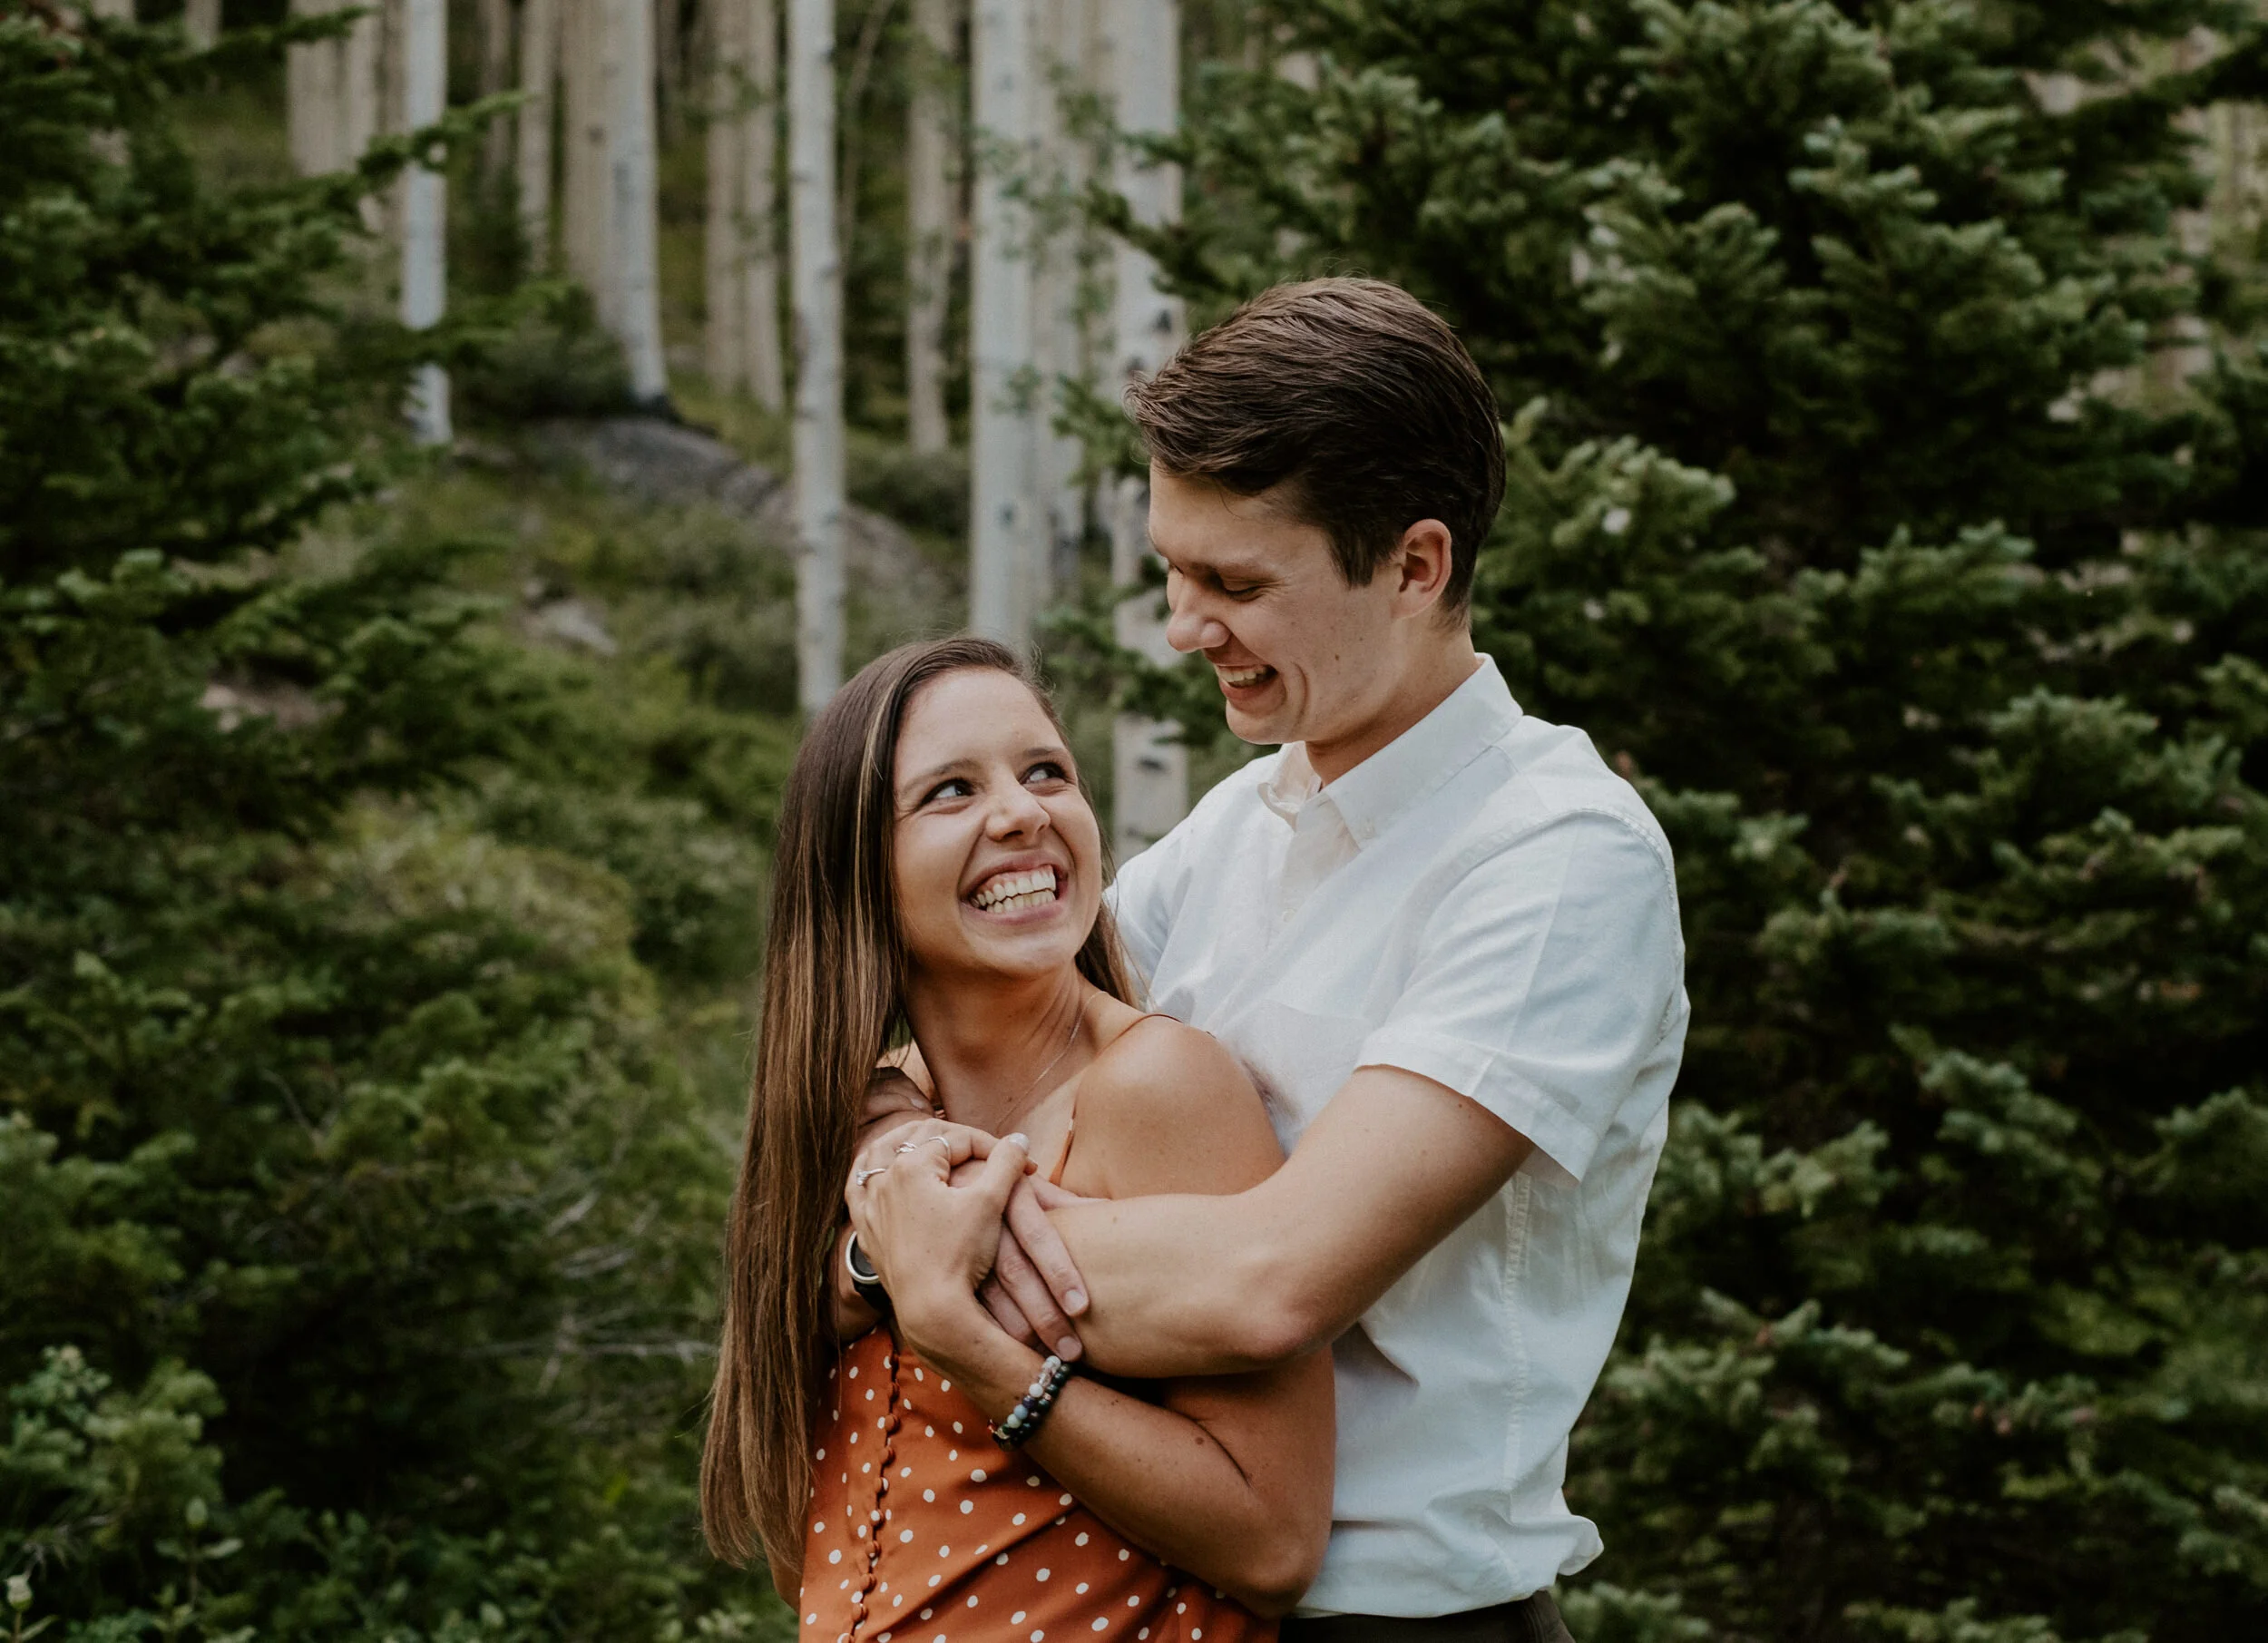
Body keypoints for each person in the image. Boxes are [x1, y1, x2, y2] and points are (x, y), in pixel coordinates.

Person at [854, 279, 1688, 1643]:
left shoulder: (1556, 858)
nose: (1184, 625)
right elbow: (955, 1035)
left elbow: (1272, 1280)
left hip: (1406, 1624)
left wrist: (924, 1262)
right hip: (1157, 1588)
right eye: (1174, 569)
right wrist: (890, 1160)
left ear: (1416, 567)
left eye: (1237, 584)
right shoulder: (1241, 826)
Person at [699, 638, 1336, 1640]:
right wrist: (868, 1263)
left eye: (1046, 772)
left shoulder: (1151, 1086)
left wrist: (978, 1354)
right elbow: (811, 1556)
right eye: (951, 790)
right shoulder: (869, 1123)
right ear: (858, 869)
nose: (1022, 812)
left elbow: (1273, 1543)